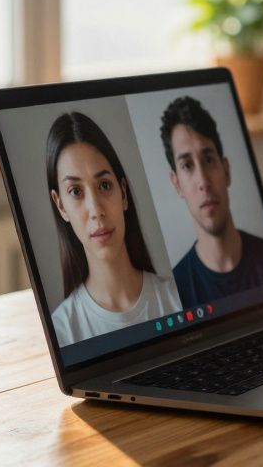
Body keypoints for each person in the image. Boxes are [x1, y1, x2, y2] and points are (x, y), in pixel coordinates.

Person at [47, 111, 181, 345]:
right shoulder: (62, 331)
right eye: (76, 191)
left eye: (104, 185)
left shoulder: (179, 299)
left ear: (123, 193)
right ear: (61, 206)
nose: (96, 210)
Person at [160, 95, 263, 308]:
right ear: (177, 184)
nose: (203, 182)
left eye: (208, 159)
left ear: (226, 171)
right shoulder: (175, 294)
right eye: (187, 165)